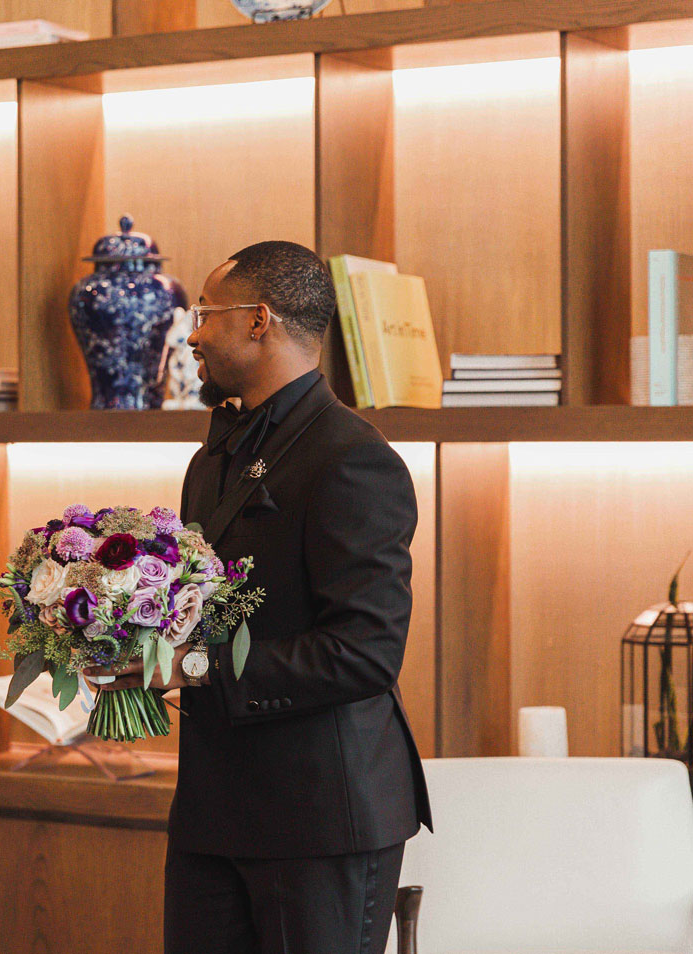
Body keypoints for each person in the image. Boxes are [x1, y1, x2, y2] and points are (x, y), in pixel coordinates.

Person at [86, 242, 431, 954]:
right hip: (213, 809)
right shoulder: (211, 455)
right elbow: (201, 611)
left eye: (205, 314)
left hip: (320, 815)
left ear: (257, 321)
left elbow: (363, 653)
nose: (191, 334)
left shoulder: (352, 457)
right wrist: (132, 638)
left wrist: (188, 667)